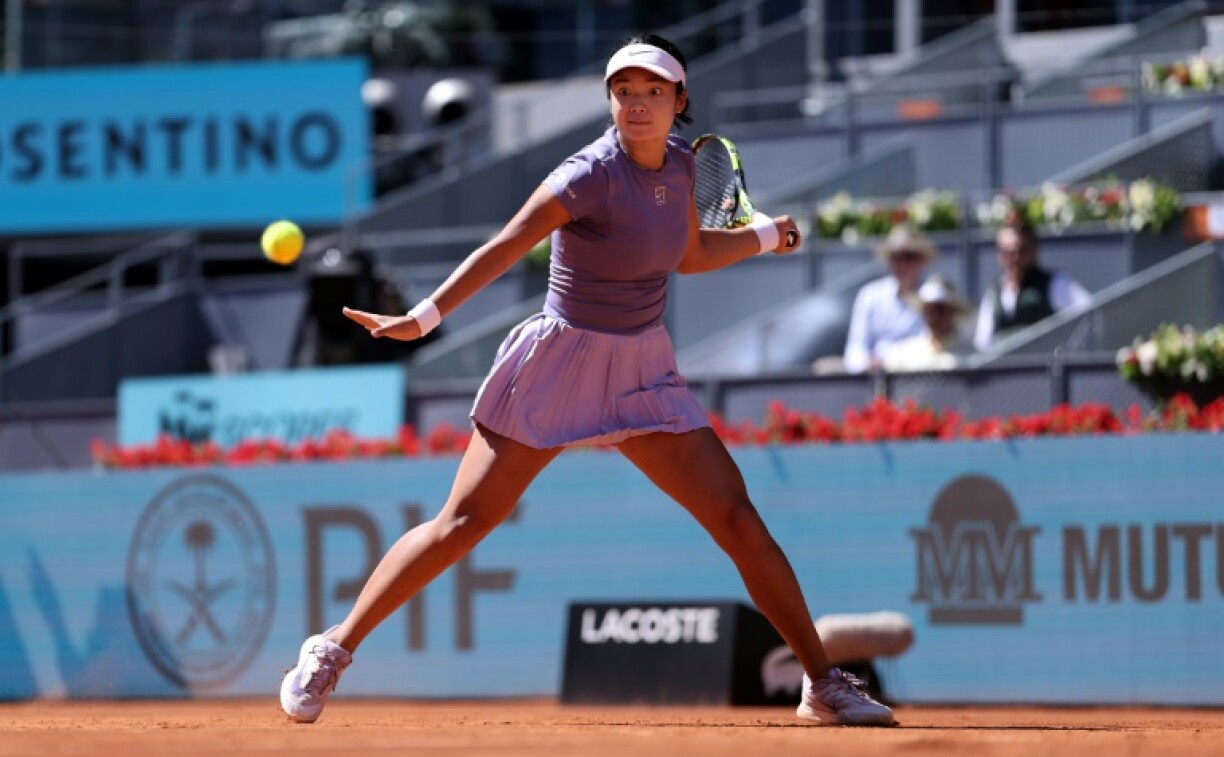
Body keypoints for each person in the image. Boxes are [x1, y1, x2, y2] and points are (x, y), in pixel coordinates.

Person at [278, 34, 894, 728]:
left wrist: (764, 236)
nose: (636, 104)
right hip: (560, 365)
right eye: (624, 92)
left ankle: (820, 682)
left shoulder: (691, 169)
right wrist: (422, 318)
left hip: (641, 370)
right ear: (610, 100)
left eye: (652, 92)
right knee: (463, 523)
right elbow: (507, 242)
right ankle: (332, 647)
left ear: (679, 101)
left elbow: (687, 254)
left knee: (737, 519)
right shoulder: (587, 174)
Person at [973, 216, 1091, 351]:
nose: (1015, 257)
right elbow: (983, 342)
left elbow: (1086, 313)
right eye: (1008, 252)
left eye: (1021, 250)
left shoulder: (1053, 283)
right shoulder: (994, 292)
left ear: (1034, 250)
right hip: (1005, 369)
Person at [842, 227, 937, 373]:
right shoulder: (870, 295)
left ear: (922, 260)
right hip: (873, 381)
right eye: (896, 257)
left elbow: (933, 346)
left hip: (919, 377)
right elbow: (855, 350)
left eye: (909, 257)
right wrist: (866, 363)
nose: (902, 264)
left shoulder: (933, 296)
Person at [883, 275, 974, 372]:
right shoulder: (901, 356)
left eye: (940, 309)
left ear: (953, 312)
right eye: (929, 310)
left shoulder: (971, 358)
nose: (935, 316)